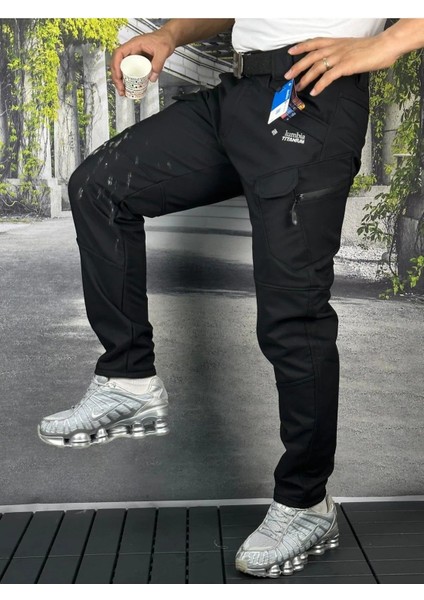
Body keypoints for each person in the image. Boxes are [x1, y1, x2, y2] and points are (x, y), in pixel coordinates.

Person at [38, 18, 424, 578]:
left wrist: (388, 43)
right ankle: (128, 378)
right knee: (99, 187)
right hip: (238, 94)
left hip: (313, 97)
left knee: (292, 316)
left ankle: (306, 503)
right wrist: (171, 35)